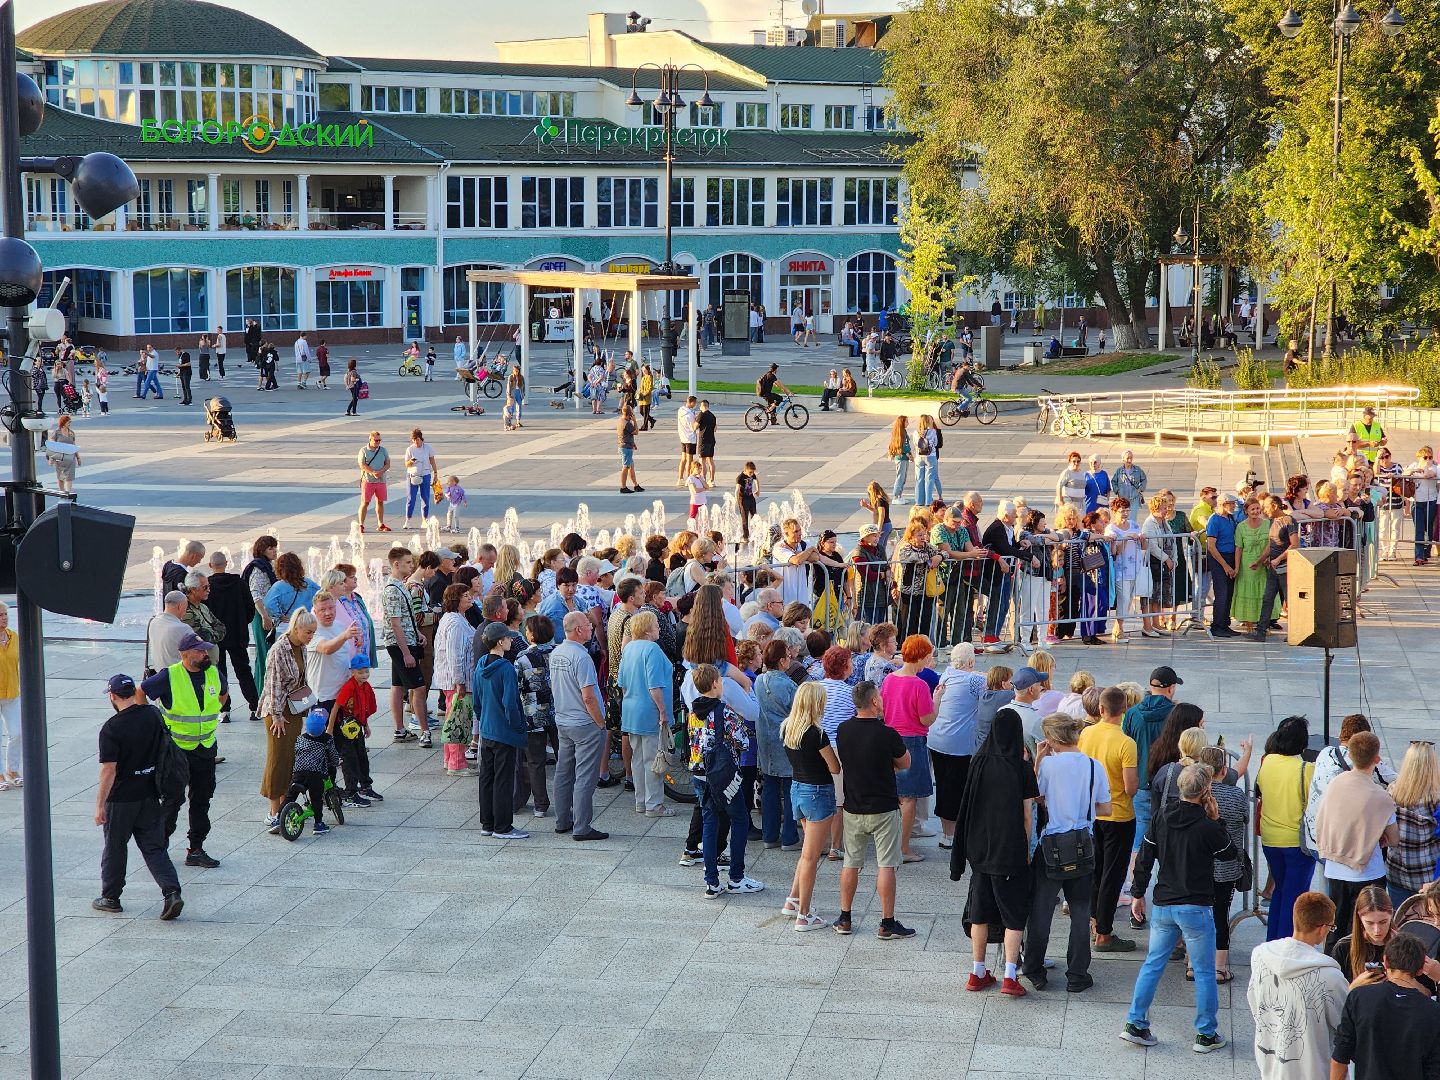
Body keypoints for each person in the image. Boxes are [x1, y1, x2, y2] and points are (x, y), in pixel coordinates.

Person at [1122, 763, 1236, 1053]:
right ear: (1206, 791)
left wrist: (1138, 894)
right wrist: (1217, 820)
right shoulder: (1208, 826)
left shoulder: (1160, 817)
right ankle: (1206, 1033)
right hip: (1195, 907)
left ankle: (1135, 1022)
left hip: (1163, 904)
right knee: (1204, 971)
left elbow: (1145, 858)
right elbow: (1229, 853)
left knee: (1153, 964)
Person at [1022, 711, 1111, 992]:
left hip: (1051, 845)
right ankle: (1077, 974)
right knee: (1081, 912)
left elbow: (1036, 797)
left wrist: (1038, 762)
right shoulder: (1095, 766)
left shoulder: (1048, 766)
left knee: (1041, 911)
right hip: (1083, 843)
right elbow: (1106, 808)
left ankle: (1035, 969)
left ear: (1050, 739)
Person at [955, 708, 1038, 995]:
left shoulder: (978, 762)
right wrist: (1026, 849)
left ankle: (977, 971)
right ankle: (1010, 975)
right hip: (1010, 851)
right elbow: (1027, 815)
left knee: (979, 912)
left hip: (980, 849)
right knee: (1014, 915)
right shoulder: (1021, 767)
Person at [93, 673, 184, 919]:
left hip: (122, 799)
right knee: (154, 848)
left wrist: (100, 805)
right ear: (133, 692)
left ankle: (110, 897)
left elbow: (109, 770)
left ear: (112, 696)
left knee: (115, 847)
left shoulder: (112, 728)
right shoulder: (153, 715)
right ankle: (171, 892)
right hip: (149, 793)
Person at [834, 680, 915, 938]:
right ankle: (887, 922)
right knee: (886, 865)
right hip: (883, 807)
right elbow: (905, 763)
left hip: (853, 806)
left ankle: (845, 917)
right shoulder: (887, 733)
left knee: (851, 863)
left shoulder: (843, 730)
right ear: (874, 701)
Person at [140, 633, 227, 869]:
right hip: (176, 750)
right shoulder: (170, 675)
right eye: (199, 651)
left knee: (202, 800)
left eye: (205, 650)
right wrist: (146, 720)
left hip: (206, 747)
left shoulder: (212, 672)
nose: (205, 654)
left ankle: (196, 849)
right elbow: (142, 692)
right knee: (172, 800)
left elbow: (222, 693)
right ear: (185, 654)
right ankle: (159, 848)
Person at [1247, 891, 1350, 1080]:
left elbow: (1254, 1001)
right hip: (1314, 1070)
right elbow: (1346, 1025)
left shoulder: (1260, 955)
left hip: (1271, 1066)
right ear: (1322, 928)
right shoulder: (1330, 977)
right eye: (1331, 926)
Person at [1315, 730, 1397, 951]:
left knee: (1336, 928)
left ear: (1350, 756)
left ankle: (1334, 975)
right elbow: (1394, 838)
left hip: (1335, 867)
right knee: (1369, 932)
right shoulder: (1381, 796)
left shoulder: (1334, 784)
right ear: (1377, 759)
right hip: (1368, 871)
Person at [687, 663, 764, 897]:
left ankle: (711, 881)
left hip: (700, 774)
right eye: (720, 680)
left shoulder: (693, 712)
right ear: (714, 684)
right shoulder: (724, 711)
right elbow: (743, 742)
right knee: (739, 819)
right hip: (724, 776)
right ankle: (736, 877)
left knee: (710, 823)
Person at [1079, 686, 1140, 952]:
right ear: (1124, 710)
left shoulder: (1086, 734)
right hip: (1119, 816)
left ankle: (1093, 919)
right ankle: (1103, 932)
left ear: (1101, 709)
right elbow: (1130, 788)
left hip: (1092, 812)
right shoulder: (1126, 743)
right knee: (1112, 875)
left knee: (1095, 869)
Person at [1331, 934, 1440, 1078]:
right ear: (1420, 970)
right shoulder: (1433, 1011)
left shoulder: (1359, 997)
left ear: (1385, 962)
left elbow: (1340, 1056)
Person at [781, 681, 840, 930]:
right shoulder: (817, 733)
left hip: (798, 789)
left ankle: (793, 901)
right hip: (818, 792)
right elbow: (834, 767)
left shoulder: (787, 728)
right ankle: (804, 915)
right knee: (810, 857)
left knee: (807, 850)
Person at [550, 611, 609, 841]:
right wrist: (600, 723)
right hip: (585, 723)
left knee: (564, 772)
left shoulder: (557, 653)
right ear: (578, 630)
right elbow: (589, 696)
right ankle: (582, 826)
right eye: (587, 625)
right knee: (585, 776)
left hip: (563, 720)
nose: (592, 628)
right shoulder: (582, 658)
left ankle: (562, 820)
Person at [1257, 715, 1318, 941]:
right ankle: (1285, 944)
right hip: (1296, 843)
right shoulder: (1306, 769)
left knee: (1280, 892)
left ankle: (1273, 940)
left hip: (1270, 839)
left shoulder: (1268, 761)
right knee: (1295, 898)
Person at [927, 642, 986, 850]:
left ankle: (946, 833)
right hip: (958, 743)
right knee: (957, 788)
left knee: (943, 786)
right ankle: (952, 835)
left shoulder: (947, 674)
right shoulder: (974, 679)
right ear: (971, 661)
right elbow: (993, 682)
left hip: (936, 738)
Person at [473, 621, 528, 839]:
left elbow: (476, 700)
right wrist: (518, 726)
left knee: (486, 778)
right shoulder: (506, 668)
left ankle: (487, 823)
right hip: (504, 732)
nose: (511, 640)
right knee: (503, 780)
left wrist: (483, 718)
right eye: (507, 637)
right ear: (500, 641)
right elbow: (510, 703)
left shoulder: (481, 664)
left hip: (487, 729)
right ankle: (503, 827)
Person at [618, 610, 673, 817]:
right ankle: (654, 805)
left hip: (631, 709)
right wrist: (663, 711)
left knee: (638, 758)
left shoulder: (629, 648)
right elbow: (654, 686)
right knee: (653, 759)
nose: (659, 628)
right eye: (657, 625)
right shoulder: (652, 649)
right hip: (649, 710)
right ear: (648, 629)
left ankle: (641, 801)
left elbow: (622, 684)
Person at [380, 546, 430, 747]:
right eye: (408, 562)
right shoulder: (392, 590)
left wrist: (416, 633)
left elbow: (405, 616)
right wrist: (406, 653)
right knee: (419, 688)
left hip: (405, 641)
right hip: (400, 645)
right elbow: (394, 623)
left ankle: (400, 729)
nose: (412, 565)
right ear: (396, 564)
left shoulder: (401, 585)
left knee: (397, 685)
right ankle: (424, 731)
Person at [204, 551, 258, 723]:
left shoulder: (208, 585)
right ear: (227, 563)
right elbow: (250, 608)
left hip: (215, 637)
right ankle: (254, 707)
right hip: (237, 634)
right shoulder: (239, 583)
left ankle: (224, 710)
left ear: (210, 565)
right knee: (244, 671)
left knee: (220, 673)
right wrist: (241, 623)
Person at [1385, 740, 1440, 907]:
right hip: (1427, 877)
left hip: (1396, 871)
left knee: (1400, 924)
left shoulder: (1393, 792)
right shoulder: (1436, 800)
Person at [329, 654, 381, 805]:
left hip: (356, 727)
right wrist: (330, 729)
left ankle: (365, 786)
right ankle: (350, 792)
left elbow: (364, 708)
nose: (364, 675)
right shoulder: (349, 687)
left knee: (362, 757)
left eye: (366, 671)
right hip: (344, 729)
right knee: (349, 760)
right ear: (353, 672)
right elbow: (336, 707)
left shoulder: (366, 686)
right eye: (360, 672)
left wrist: (366, 725)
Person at [287, 708, 340, 834]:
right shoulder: (327, 739)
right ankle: (318, 824)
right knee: (316, 798)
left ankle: (279, 817)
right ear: (323, 727)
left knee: (291, 795)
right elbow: (333, 756)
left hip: (298, 773)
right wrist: (337, 762)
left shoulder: (300, 738)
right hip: (315, 774)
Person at [1404, 446, 1437, 565]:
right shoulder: (1414, 465)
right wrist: (1414, 471)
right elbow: (1405, 474)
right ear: (1419, 457)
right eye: (1425, 457)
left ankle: (1425, 553)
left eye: (1430, 457)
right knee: (1419, 529)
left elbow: (1430, 475)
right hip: (1417, 502)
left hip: (1431, 501)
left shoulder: (1435, 467)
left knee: (1428, 529)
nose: (1428, 459)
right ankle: (1418, 556)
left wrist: (1426, 467)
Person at [402, 428, 438, 529]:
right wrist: (411, 461)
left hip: (425, 474)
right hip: (412, 475)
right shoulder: (410, 449)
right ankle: (408, 520)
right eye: (414, 440)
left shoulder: (427, 448)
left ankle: (424, 520)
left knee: (425, 497)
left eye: (418, 440)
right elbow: (406, 464)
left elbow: (432, 461)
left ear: (421, 439)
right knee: (411, 498)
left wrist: (435, 474)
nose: (416, 442)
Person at [357, 431, 391, 533]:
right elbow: (362, 465)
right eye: (376, 440)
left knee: (380, 502)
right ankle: (361, 525)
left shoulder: (383, 450)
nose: (378, 442)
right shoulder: (363, 450)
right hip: (368, 480)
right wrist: (372, 472)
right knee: (365, 502)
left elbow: (388, 463)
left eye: (379, 440)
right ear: (370, 439)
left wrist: (381, 472)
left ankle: (380, 524)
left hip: (381, 480)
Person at [46, 414, 80, 493]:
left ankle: (68, 492)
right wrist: (51, 458)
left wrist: (78, 457)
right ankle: (61, 492)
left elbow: (74, 445)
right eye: (68, 422)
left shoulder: (71, 433)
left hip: (70, 457)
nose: (69, 423)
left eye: (70, 422)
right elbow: (52, 446)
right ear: (63, 422)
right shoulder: (57, 432)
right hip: (59, 458)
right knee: (61, 477)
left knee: (69, 476)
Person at [617, 403, 644, 495]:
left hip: (625, 446)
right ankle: (623, 487)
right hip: (626, 448)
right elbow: (636, 432)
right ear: (630, 414)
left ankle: (636, 485)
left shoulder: (621, 420)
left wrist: (633, 443)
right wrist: (635, 421)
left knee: (631, 467)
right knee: (626, 467)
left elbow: (625, 435)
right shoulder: (627, 423)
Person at [695, 399, 717, 484]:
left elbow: (695, 427)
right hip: (711, 439)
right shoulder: (712, 416)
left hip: (703, 440)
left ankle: (703, 479)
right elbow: (715, 429)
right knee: (710, 461)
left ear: (702, 406)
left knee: (702, 461)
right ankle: (712, 480)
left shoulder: (701, 415)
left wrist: (693, 422)